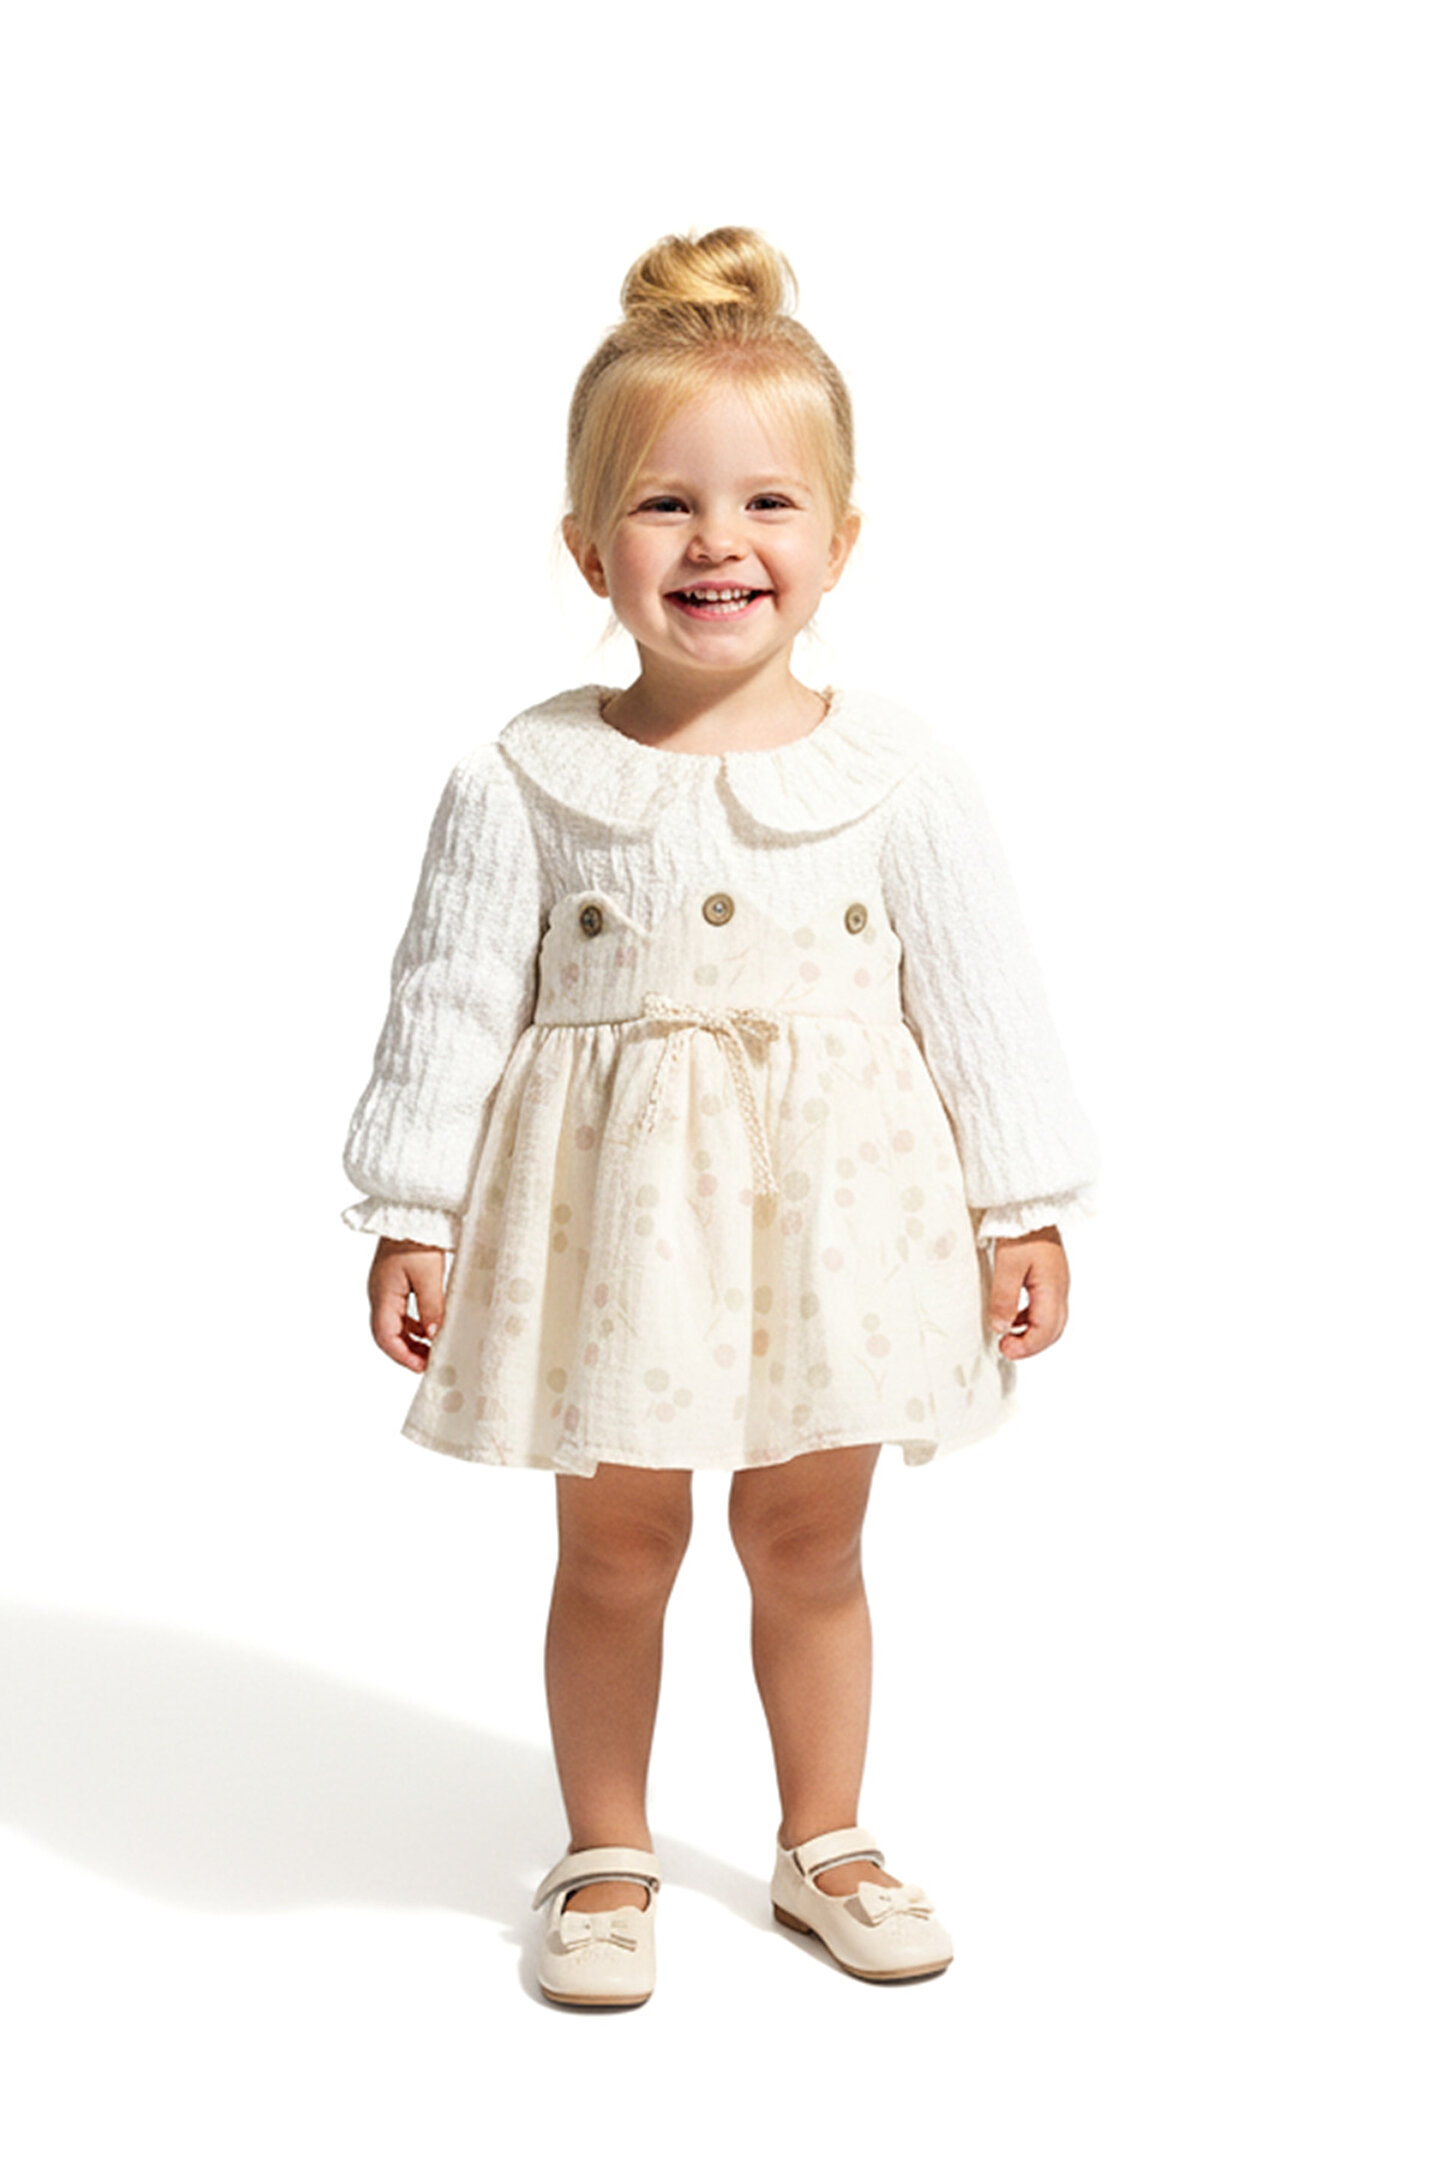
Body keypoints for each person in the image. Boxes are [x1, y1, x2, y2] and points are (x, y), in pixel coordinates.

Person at [340, 226, 1100, 2008]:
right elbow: (449, 1002)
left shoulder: (898, 775)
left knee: (809, 1542)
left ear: (841, 539)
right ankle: (605, 1850)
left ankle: (822, 1837)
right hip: (613, 1233)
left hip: (843, 1229)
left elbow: (983, 1000)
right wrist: (410, 1207)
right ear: (587, 545)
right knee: (617, 1548)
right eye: (665, 505)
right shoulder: (525, 779)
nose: (717, 543)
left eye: (767, 503)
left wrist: (1025, 1204)